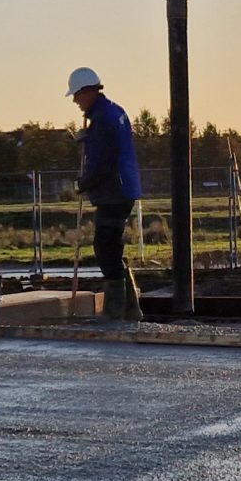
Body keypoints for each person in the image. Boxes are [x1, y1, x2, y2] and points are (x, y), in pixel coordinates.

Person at [68, 66, 142, 319]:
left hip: (113, 191)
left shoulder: (101, 119)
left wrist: (83, 183)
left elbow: (102, 161)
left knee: (105, 248)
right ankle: (131, 309)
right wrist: (87, 139)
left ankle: (115, 312)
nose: (76, 102)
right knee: (112, 248)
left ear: (87, 91)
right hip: (124, 187)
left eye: (77, 96)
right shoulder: (114, 111)